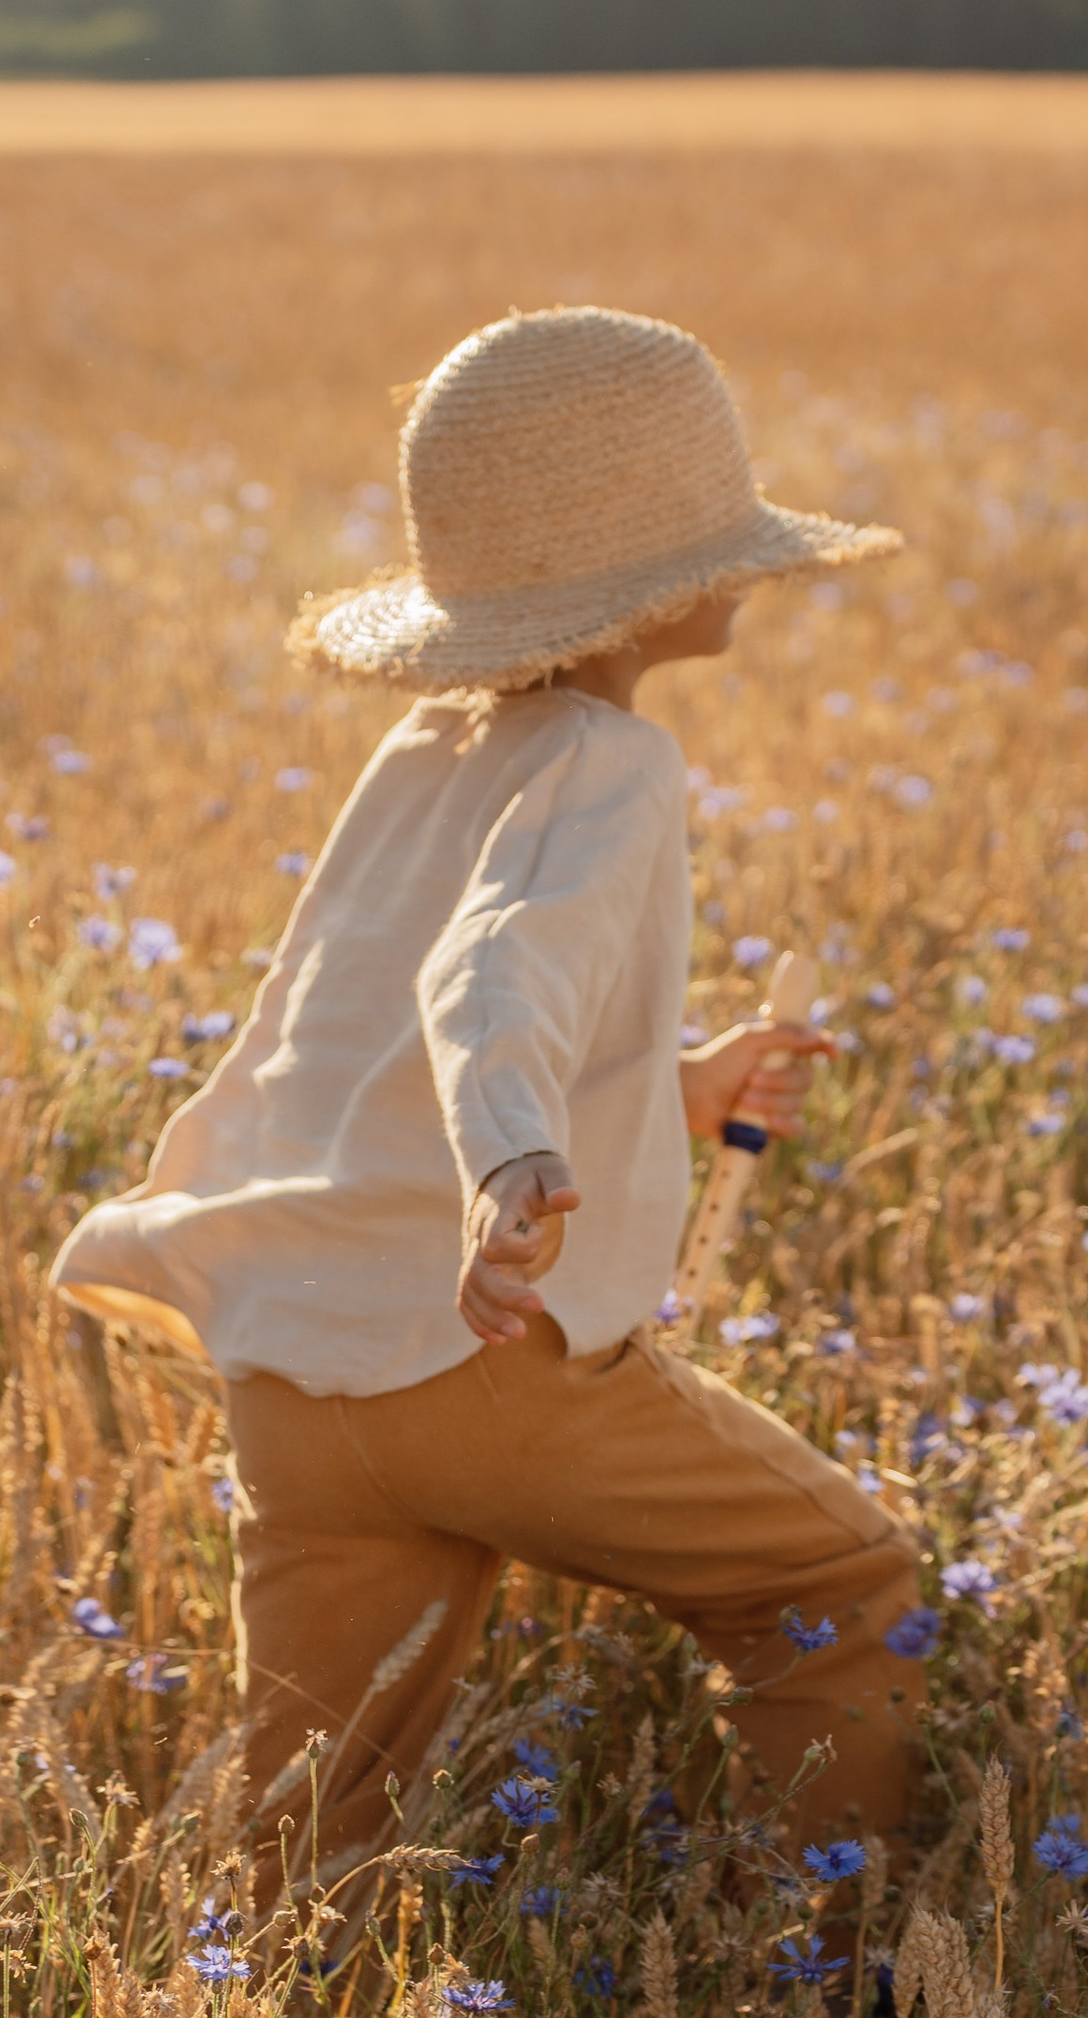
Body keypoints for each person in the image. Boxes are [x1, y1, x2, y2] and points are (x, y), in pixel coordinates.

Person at [49, 304, 926, 1917]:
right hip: (483, 1360)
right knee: (845, 1580)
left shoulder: (424, 748)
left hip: (302, 1377)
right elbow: (491, 983)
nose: (748, 574)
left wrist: (674, 1087)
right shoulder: (610, 760)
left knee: (315, 1807)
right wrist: (518, 1161)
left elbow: (386, 1040)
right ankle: (832, 1957)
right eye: (719, 545)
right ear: (646, 590)